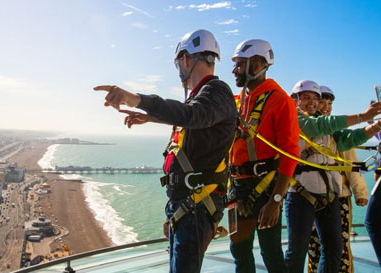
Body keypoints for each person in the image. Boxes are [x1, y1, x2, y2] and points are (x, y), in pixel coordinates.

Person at [94, 29, 237, 273]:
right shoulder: (205, 96)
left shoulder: (217, 91)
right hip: (187, 205)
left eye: (178, 63)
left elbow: (192, 116)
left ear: (186, 60)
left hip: (196, 206)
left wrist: (135, 99)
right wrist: (150, 118)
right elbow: (195, 119)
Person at [285, 80, 381, 273]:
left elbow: (348, 139)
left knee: (334, 248)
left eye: (315, 99)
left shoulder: (326, 126)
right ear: (295, 100)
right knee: (297, 251)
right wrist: (363, 116)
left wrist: (376, 125)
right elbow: (317, 127)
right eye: (306, 98)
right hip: (301, 194)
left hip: (328, 195)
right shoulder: (294, 119)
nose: (311, 102)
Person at [229, 39, 299, 273]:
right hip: (237, 186)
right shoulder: (238, 102)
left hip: (265, 188)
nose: (234, 70)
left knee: (271, 253)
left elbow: (290, 152)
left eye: (239, 64)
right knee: (239, 251)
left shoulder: (280, 100)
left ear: (258, 63)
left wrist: (276, 201)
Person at [306, 85, 368, 273]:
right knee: (314, 246)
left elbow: (350, 162)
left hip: (338, 196)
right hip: (310, 196)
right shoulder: (308, 128)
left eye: (329, 103)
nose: (326, 107)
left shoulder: (334, 130)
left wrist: (360, 191)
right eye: (322, 102)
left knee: (338, 246)